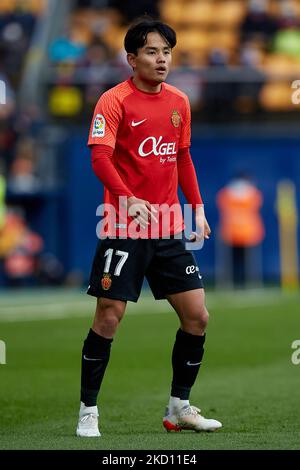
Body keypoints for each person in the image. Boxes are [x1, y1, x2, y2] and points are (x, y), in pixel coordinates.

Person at [76, 18, 222, 437]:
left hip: (167, 227)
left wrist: (197, 207)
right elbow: (100, 159)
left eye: (167, 52)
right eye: (153, 52)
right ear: (132, 58)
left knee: (197, 316)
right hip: (123, 224)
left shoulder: (179, 101)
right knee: (109, 316)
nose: (162, 60)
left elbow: (182, 158)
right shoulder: (112, 101)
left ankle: (179, 406)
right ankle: (89, 410)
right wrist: (129, 199)